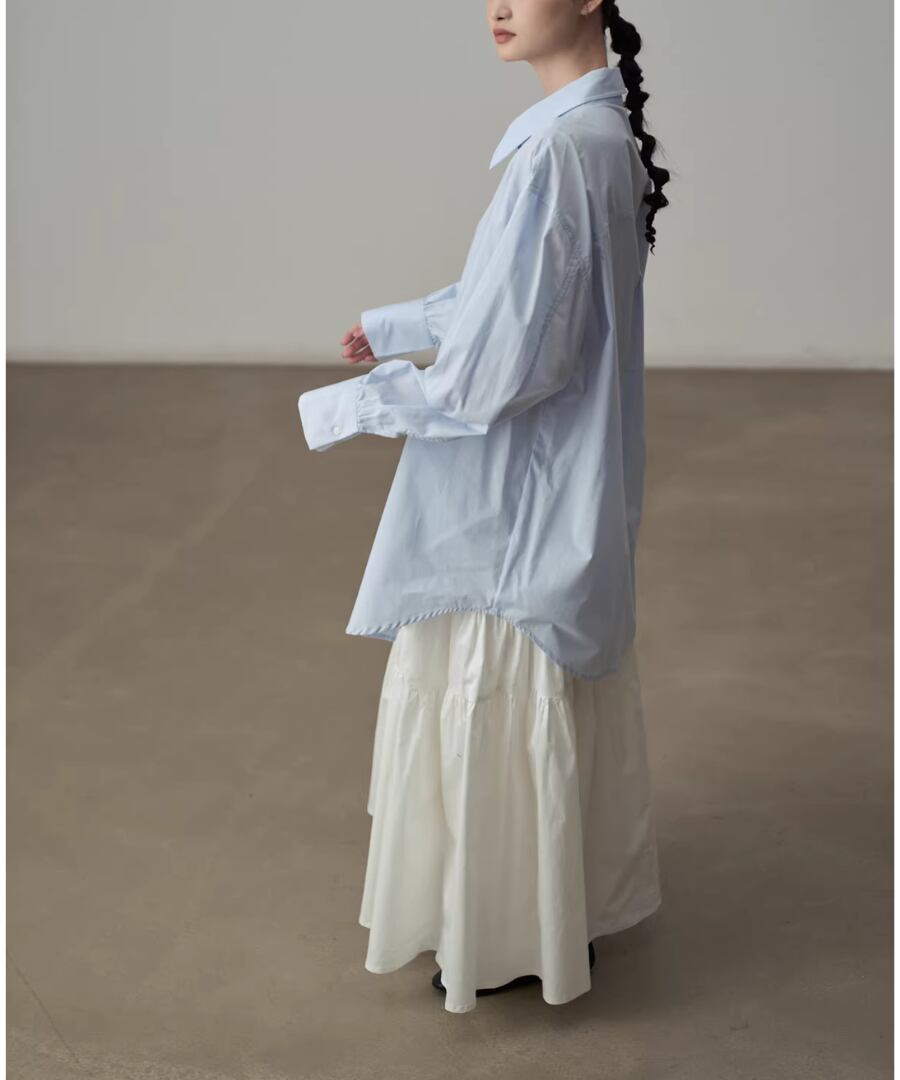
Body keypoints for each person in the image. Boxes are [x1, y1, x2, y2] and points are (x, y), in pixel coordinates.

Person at [297, 0, 671, 1015]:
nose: (497, 5)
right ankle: (547, 911)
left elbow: (496, 373)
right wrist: (397, 326)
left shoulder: (557, 153)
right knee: (535, 695)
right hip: (562, 494)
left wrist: (350, 406)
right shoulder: (600, 136)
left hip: (510, 508)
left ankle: (498, 935)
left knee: (492, 687)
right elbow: (511, 299)